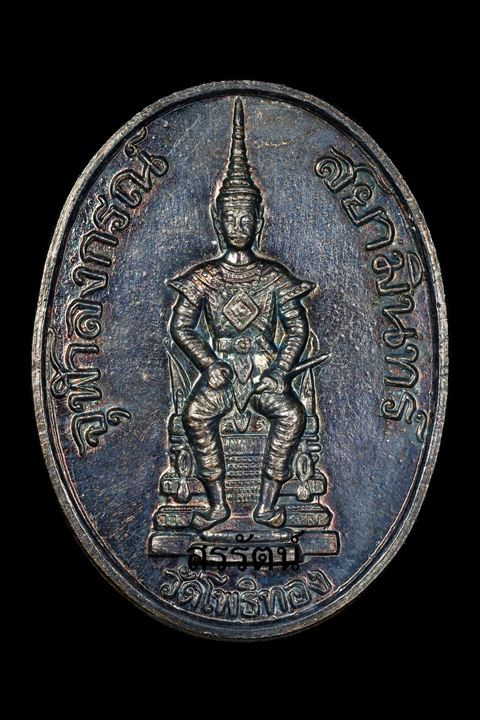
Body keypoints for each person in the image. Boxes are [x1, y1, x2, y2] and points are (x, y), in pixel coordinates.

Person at [168, 98, 315, 531]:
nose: (238, 225)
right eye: (230, 217)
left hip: (264, 368)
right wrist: (209, 363)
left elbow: (296, 328)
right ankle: (217, 504)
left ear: (258, 220)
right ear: (218, 220)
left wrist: (280, 371)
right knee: (195, 415)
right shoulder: (204, 277)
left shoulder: (274, 277)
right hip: (223, 369)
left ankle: (267, 505)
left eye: (245, 217)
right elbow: (181, 326)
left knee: (292, 416)